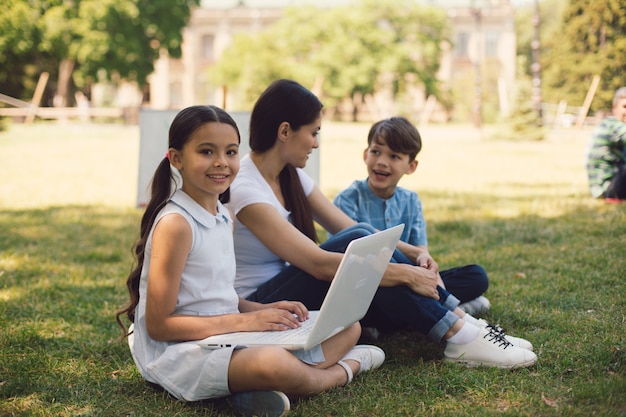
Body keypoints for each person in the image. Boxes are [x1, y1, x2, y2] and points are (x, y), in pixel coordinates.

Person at [227, 79, 537, 369]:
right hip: (262, 304)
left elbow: (347, 227)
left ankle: (465, 325)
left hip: (295, 294)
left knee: (362, 239)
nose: (316, 143)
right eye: (313, 132)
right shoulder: (246, 189)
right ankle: (460, 335)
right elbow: (317, 263)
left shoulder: (290, 175)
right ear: (285, 131)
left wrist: (412, 254)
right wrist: (403, 274)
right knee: (372, 258)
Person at [115, 105, 385, 417]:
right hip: (182, 351)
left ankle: (246, 390)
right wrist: (247, 322)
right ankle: (343, 371)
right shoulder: (176, 224)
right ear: (176, 159)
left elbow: (218, 296)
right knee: (273, 363)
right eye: (206, 151)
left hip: (227, 336)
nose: (221, 162)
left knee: (347, 327)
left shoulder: (220, 215)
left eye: (230, 152)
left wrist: (265, 310)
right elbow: (160, 327)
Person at [332, 116, 490, 317]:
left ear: (411, 166)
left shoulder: (411, 200)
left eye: (394, 156)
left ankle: (431, 309)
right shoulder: (347, 199)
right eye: (376, 151)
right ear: (365, 154)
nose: (381, 162)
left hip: (409, 279)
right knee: (384, 296)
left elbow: (420, 253)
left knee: (476, 276)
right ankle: (446, 310)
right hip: (366, 284)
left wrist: (429, 274)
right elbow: (352, 260)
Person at [586, 86, 626, 203]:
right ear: (614, 108)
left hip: (607, 185)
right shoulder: (613, 126)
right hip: (609, 187)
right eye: (624, 107)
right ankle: (613, 197)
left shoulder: (608, 124)